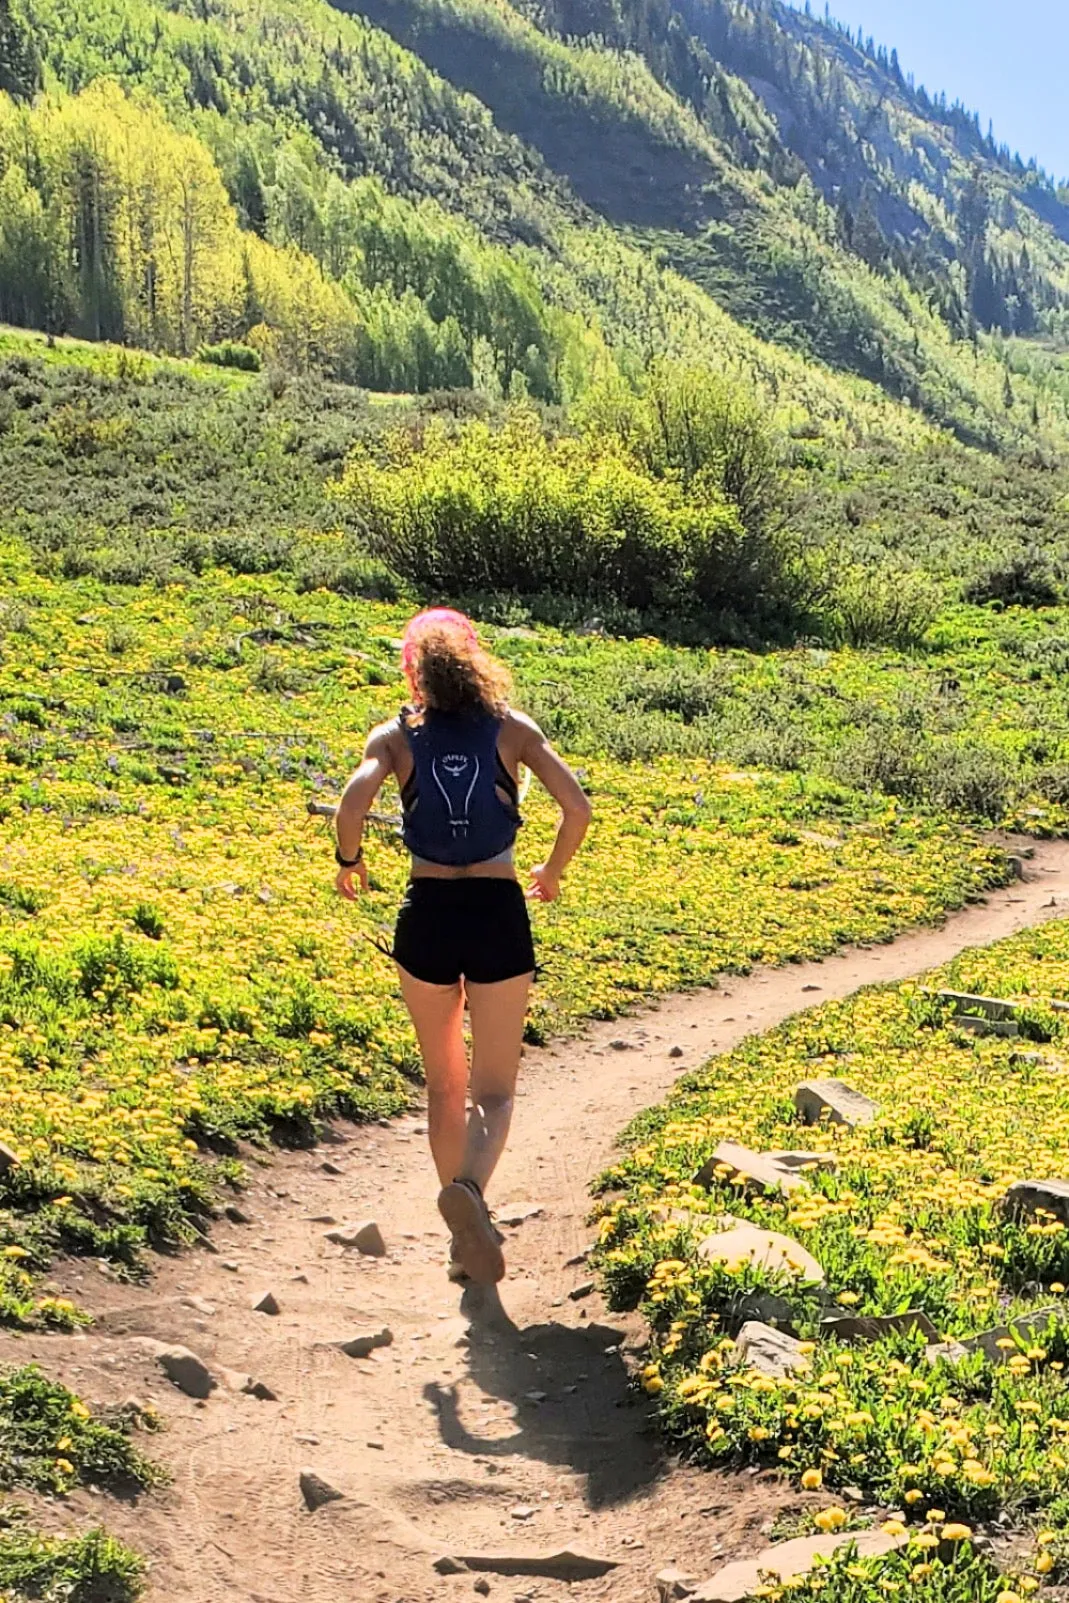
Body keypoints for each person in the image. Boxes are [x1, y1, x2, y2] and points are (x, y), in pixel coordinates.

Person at [333, 608, 592, 1285]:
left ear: (413, 672)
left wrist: (348, 858)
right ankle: (470, 1196)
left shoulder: (394, 736)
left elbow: (355, 798)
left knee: (444, 1086)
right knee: (495, 1090)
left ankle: (461, 1233)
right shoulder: (512, 728)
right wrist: (551, 871)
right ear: (475, 662)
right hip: (496, 910)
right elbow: (578, 807)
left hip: (426, 915)